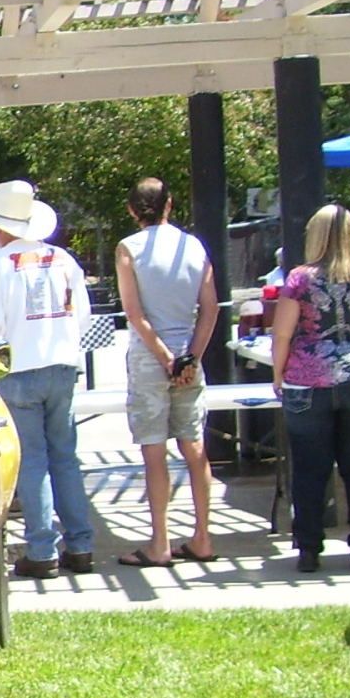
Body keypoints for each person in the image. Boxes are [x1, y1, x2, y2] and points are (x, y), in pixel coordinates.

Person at [0, 179, 96, 579]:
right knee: (65, 457)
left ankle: (42, 549)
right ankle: (81, 543)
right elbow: (83, 317)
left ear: (0, 227)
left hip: (20, 369)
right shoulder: (63, 260)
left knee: (33, 461)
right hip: (62, 365)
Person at [114, 176, 219, 567]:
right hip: (190, 357)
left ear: (131, 210)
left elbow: (135, 314)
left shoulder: (129, 249)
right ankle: (203, 537)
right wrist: (189, 357)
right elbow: (210, 307)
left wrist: (164, 358)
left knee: (154, 452)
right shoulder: (193, 246)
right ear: (169, 204)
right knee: (195, 448)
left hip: (149, 359)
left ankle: (160, 541)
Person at [270, 203, 350, 573]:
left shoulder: (300, 279)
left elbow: (282, 332)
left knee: (310, 470)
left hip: (307, 380)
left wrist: (277, 374)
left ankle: (308, 549)